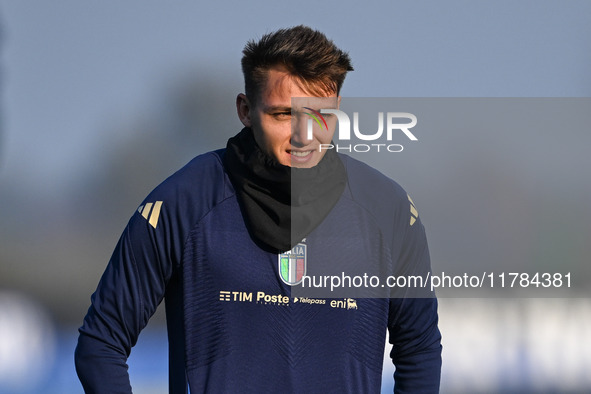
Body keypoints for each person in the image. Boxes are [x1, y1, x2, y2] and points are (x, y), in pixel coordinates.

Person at [75, 25, 442, 393]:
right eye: (283, 114)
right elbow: (101, 343)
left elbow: (420, 351)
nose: (304, 135)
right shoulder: (182, 202)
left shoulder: (388, 210)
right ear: (246, 110)